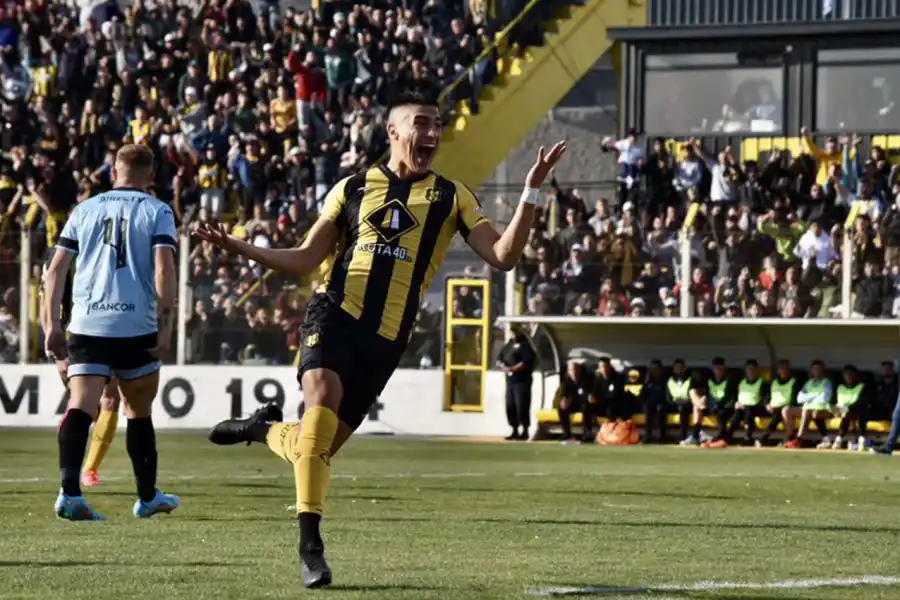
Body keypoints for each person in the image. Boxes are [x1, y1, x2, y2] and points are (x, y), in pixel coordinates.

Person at [196, 90, 566, 588]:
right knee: (321, 401)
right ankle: (311, 549)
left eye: (438, 125)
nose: (433, 134)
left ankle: (260, 431)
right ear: (393, 132)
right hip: (333, 314)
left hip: (387, 339)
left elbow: (502, 256)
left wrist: (531, 193)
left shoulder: (451, 196)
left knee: (316, 448)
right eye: (421, 123)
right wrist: (240, 246)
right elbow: (306, 259)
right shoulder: (351, 188)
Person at [43, 144, 181, 521]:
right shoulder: (158, 210)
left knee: (80, 406)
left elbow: (54, 271)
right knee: (138, 409)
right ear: (151, 175)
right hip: (136, 324)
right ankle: (147, 497)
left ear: (113, 171)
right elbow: (163, 270)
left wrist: (50, 325)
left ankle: (70, 495)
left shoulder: (84, 210)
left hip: (87, 324)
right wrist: (166, 324)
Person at [496, 328, 536, 441]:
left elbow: (527, 361)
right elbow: (499, 359)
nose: (513, 334)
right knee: (510, 404)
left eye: (515, 332)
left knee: (521, 404)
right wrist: (504, 367)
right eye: (512, 332)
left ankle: (525, 430)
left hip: (522, 380)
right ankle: (514, 429)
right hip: (510, 381)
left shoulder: (526, 346)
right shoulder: (508, 345)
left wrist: (514, 368)